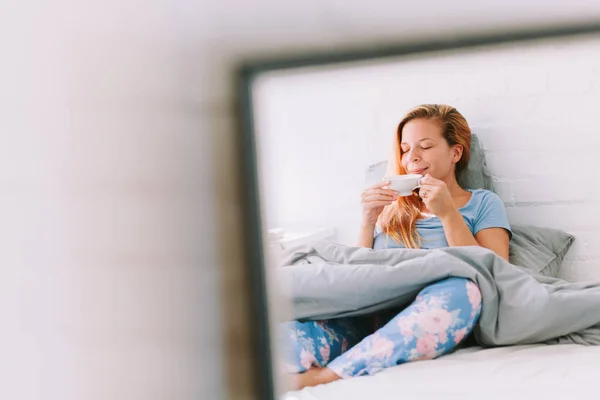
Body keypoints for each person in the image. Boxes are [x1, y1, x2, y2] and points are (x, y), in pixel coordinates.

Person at [280, 104, 512, 390]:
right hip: (368, 309)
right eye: (404, 149)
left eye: (425, 146)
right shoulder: (392, 208)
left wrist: (448, 214)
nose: (412, 157)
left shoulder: (482, 203)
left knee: (465, 291)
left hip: (428, 308)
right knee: (286, 336)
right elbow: (358, 271)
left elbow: (495, 274)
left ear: (455, 153)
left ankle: (328, 376)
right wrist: (367, 222)